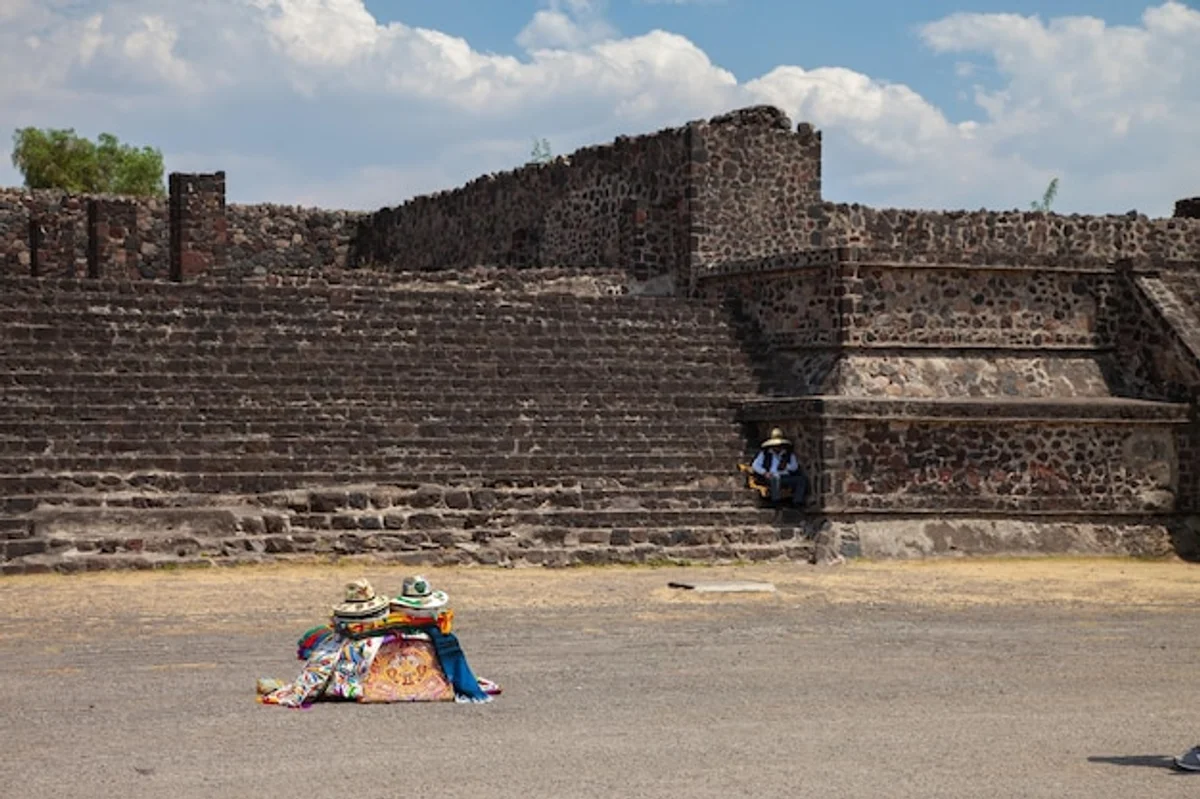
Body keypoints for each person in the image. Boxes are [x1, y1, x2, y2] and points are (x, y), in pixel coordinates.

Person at [750, 427, 807, 507]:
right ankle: (776, 501)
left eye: (779, 445)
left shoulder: (788, 454)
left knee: (801, 480)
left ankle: (797, 501)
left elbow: (795, 467)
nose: (777, 447)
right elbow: (755, 465)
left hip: (785, 477)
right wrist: (764, 472)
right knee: (775, 478)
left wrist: (786, 466)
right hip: (770, 477)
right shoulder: (765, 454)